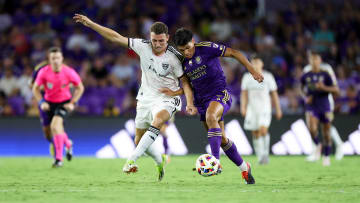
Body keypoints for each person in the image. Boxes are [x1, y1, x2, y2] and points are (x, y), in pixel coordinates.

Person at [74, 15, 196, 181]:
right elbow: (115, 37)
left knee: (158, 121)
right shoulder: (142, 46)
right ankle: (159, 161)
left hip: (167, 99)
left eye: (161, 41)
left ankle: (130, 161)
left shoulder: (176, 57)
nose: (158, 44)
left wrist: (184, 99)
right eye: (154, 40)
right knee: (139, 140)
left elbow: (188, 83)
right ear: (149, 38)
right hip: (146, 98)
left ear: (167, 38)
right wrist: (91, 24)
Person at [164, 28, 263, 184]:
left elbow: (235, 53)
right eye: (182, 50)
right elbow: (188, 85)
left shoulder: (206, 48)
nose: (187, 52)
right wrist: (180, 96)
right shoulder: (180, 61)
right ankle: (245, 168)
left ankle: (214, 161)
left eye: (189, 48)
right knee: (222, 140)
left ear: (193, 42)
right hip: (201, 101)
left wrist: (252, 70)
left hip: (219, 93)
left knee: (211, 117)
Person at [32, 47, 85, 167]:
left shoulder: (69, 72)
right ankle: (68, 143)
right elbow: (35, 88)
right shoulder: (44, 72)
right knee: (54, 131)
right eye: (53, 58)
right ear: (49, 60)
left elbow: (80, 87)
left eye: (57, 58)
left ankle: (58, 159)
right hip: (49, 104)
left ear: (62, 59)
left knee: (55, 126)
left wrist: (73, 103)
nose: (55, 60)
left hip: (64, 103)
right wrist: (41, 102)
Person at [241, 55, 282, 165]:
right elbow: (244, 93)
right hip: (252, 109)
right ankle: (260, 156)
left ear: (262, 64)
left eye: (257, 62)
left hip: (265, 108)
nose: (255, 64)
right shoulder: (246, 77)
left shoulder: (268, 76)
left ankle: (265, 154)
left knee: (263, 130)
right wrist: (243, 107)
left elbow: (274, 93)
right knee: (255, 132)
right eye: (253, 62)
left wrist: (278, 109)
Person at [300, 51, 339, 166]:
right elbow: (301, 88)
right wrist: (305, 97)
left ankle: (326, 156)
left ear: (320, 61)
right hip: (312, 106)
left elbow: (336, 90)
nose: (314, 62)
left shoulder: (326, 74)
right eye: (312, 60)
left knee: (327, 133)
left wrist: (324, 87)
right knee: (312, 128)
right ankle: (318, 145)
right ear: (310, 61)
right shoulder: (306, 75)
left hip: (326, 106)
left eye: (316, 59)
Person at [30, 60, 54, 156]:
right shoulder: (40, 69)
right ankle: (52, 142)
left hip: (58, 101)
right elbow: (32, 85)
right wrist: (42, 88)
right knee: (47, 132)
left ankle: (60, 147)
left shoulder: (63, 69)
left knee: (57, 125)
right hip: (44, 103)